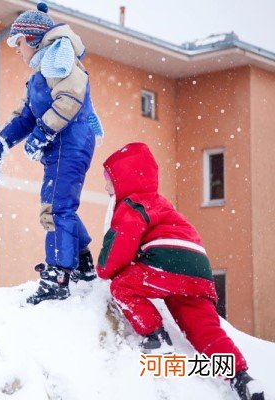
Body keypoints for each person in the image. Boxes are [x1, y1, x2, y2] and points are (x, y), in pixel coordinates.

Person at [97, 142, 264, 400]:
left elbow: (121, 242)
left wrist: (105, 268)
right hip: (197, 268)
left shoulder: (132, 204)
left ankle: (156, 336)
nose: (106, 187)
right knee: (204, 330)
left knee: (123, 286)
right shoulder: (163, 204)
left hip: (168, 261)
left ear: (124, 179)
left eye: (109, 180)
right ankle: (241, 377)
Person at [0, 2, 104, 305]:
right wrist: (1, 142)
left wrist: (43, 133)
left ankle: (58, 276)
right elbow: (26, 116)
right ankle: (83, 264)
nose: (16, 49)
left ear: (33, 39)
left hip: (71, 142)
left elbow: (70, 99)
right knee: (59, 205)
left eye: (19, 42)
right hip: (61, 145)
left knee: (55, 208)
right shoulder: (41, 72)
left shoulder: (61, 60)